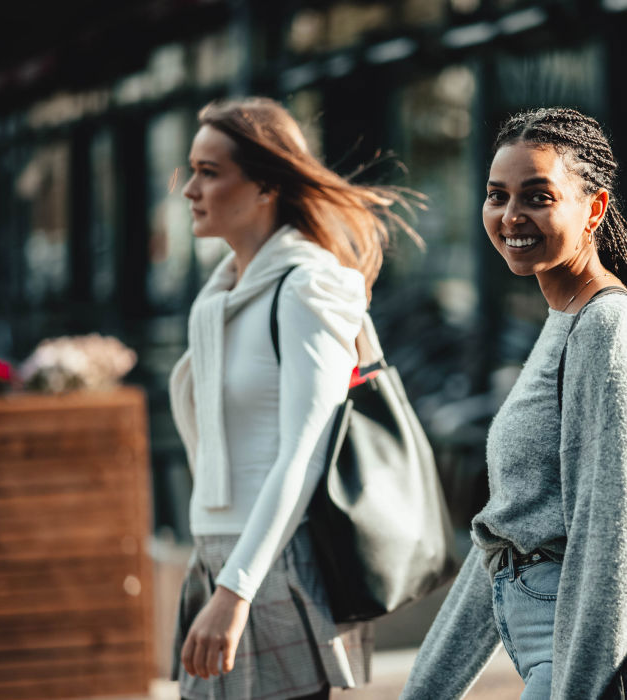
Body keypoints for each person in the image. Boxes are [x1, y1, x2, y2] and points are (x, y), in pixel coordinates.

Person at [401, 107, 627, 699]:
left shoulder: (608, 329)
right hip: (554, 659)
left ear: (594, 209)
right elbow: (505, 533)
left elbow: (614, 540)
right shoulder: (568, 319)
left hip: (576, 665)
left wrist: (574, 690)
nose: (510, 216)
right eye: (497, 196)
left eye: (538, 196)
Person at [167, 97, 415, 700]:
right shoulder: (219, 295)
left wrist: (236, 590)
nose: (189, 190)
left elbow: (304, 452)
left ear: (266, 185)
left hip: (269, 569)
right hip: (217, 560)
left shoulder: (308, 287)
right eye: (191, 169)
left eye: (210, 171)